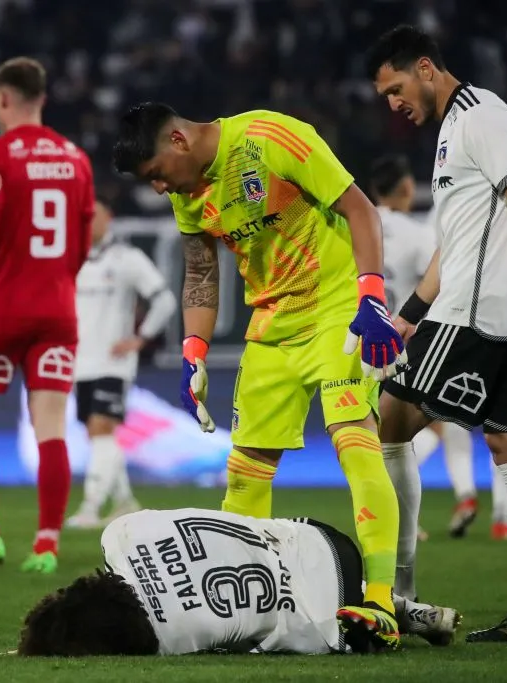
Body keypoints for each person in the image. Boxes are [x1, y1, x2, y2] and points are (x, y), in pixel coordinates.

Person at [113, 102, 407, 649]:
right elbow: (201, 270)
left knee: (355, 444)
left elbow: (360, 209)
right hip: (271, 325)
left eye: (155, 174)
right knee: (245, 472)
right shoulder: (186, 192)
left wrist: (372, 296)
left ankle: (382, 603)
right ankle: (240, 613)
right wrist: (194, 349)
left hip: (337, 309)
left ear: (177, 141)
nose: (158, 189)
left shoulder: (272, 138)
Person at [366, 25, 507, 643]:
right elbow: (454, 246)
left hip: (475, 316)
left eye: (395, 88)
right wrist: (406, 317)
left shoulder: (479, 114)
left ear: (425, 68)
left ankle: (398, 593)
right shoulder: (455, 130)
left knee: (389, 426)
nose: (393, 104)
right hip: (491, 312)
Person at [0, 57, 94, 575]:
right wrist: (60, 285)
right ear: (42, 100)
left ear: (3, 99)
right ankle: (47, 544)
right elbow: (81, 238)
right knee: (50, 424)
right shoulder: (76, 159)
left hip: (4, 310)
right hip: (57, 309)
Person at [16, 507, 461, 656]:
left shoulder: (169, 636)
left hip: (328, 619)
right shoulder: (121, 535)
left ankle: (393, 616)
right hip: (318, 537)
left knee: (268, 634)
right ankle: (397, 605)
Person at [371, 155, 507, 541]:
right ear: (405, 189)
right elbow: (442, 279)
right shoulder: (421, 232)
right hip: (409, 339)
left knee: (413, 426)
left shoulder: (355, 228)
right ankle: (495, 511)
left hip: (358, 340)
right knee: (472, 421)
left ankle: (458, 499)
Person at [65, 197, 176, 529]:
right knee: (98, 435)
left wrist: (141, 338)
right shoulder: (71, 261)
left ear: (108, 217)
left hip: (113, 363)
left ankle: (90, 506)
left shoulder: (127, 259)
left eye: (93, 216)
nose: (88, 223)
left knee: (102, 428)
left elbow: (164, 300)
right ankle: (125, 501)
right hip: (79, 363)